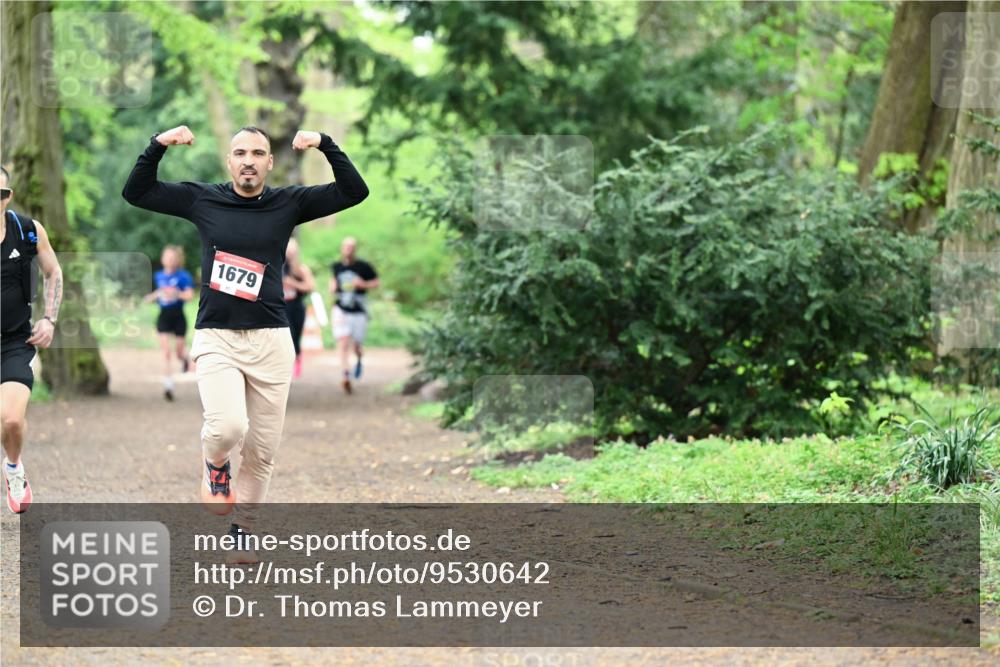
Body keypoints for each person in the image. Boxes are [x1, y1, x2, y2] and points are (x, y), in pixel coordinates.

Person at [122, 125, 368, 560]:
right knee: (227, 427)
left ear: (269, 163)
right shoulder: (203, 199)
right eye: (240, 152)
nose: (249, 160)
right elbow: (136, 193)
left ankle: (243, 532)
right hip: (217, 334)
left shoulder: (287, 203)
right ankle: (215, 465)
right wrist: (157, 143)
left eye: (258, 152)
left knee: (263, 449)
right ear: (230, 161)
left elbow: (354, 191)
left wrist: (326, 145)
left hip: (272, 338)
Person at [1, 166, 63, 513]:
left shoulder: (27, 231)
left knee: (11, 419)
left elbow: (53, 272)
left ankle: (13, 468)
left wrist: (49, 319)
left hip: (14, 341)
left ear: (7, 197)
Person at [144, 244, 195, 401]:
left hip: (178, 316)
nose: (169, 260)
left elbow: (190, 296)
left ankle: (185, 359)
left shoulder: (184, 276)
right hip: (164, 317)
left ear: (177, 260)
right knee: (166, 352)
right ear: (163, 259)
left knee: (178, 353)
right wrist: (153, 296)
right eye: (167, 257)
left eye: (172, 258)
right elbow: (153, 297)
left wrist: (177, 294)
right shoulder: (158, 276)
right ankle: (168, 386)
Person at [329, 236, 378, 394]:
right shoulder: (336, 266)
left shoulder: (364, 266)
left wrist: (363, 284)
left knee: (356, 346)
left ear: (355, 249)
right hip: (341, 308)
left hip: (358, 310)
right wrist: (333, 287)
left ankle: (358, 359)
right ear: (342, 249)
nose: (348, 249)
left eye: (351, 247)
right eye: (346, 246)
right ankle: (346, 375)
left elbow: (376, 282)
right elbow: (333, 283)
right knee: (343, 342)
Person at [282, 237, 315, 379]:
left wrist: (292, 283)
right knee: (285, 337)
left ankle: (298, 359)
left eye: (292, 250)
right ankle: (284, 364)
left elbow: (310, 286)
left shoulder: (300, 269)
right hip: (281, 308)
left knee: (295, 336)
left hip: (296, 307)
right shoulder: (277, 266)